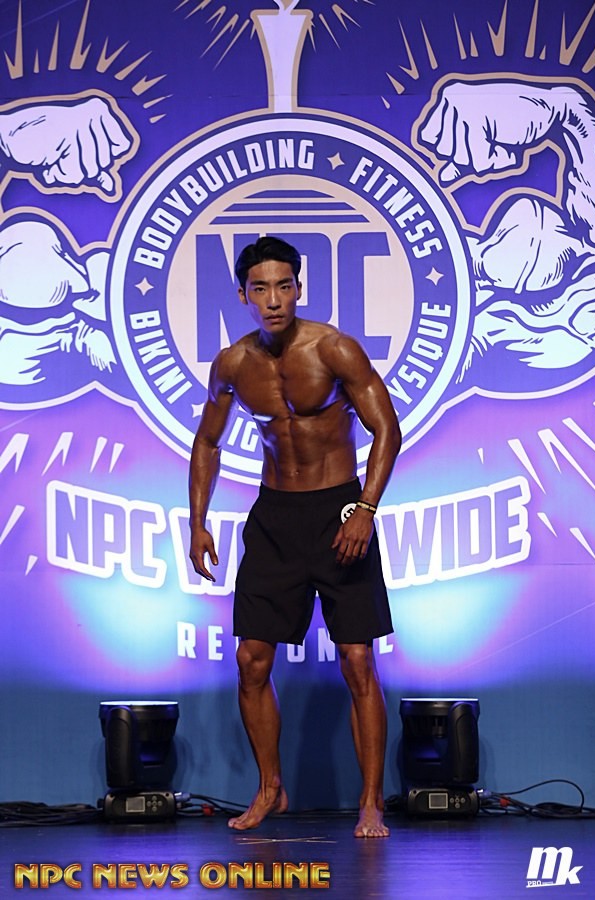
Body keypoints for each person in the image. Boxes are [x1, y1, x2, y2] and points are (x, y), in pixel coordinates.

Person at [189, 236, 402, 838]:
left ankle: (370, 802)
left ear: (299, 288)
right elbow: (208, 442)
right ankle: (270, 787)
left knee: (357, 660)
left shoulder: (333, 348)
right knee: (251, 660)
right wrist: (197, 521)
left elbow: (387, 428)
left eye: (284, 286)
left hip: (339, 510)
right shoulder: (233, 364)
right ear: (243, 296)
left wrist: (365, 508)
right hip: (275, 517)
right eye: (261, 289)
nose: (274, 299)